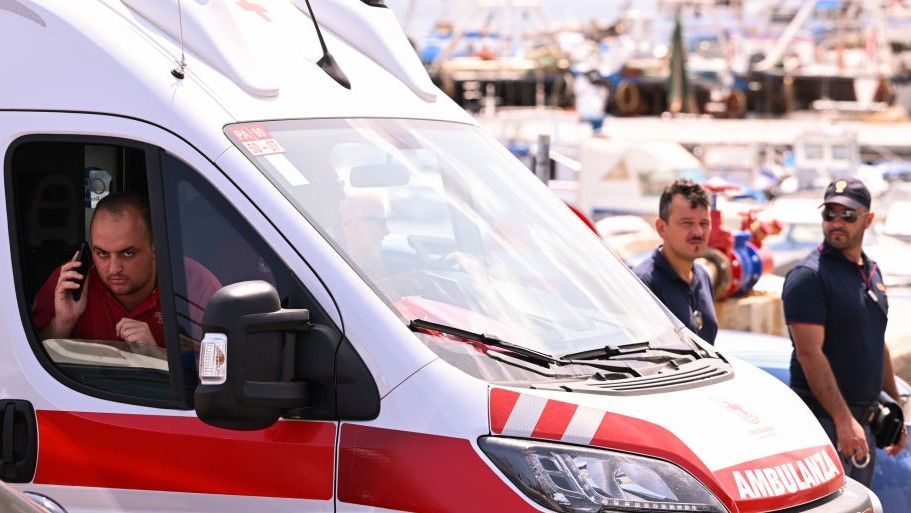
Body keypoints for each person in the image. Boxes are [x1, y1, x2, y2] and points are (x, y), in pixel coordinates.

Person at [782, 177, 907, 486]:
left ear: (868, 219)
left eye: (848, 215)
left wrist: (896, 407)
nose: (837, 222)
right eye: (830, 214)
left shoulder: (871, 271)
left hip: (861, 424)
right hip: (826, 424)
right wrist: (842, 420)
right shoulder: (809, 276)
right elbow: (810, 354)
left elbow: (877, 342)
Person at [32, 193, 163, 347]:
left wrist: (156, 355)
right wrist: (63, 322)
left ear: (155, 248)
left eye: (128, 253)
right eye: (102, 253)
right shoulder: (70, 281)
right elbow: (24, 360)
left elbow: (196, 366)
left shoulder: (189, 282)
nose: (114, 268)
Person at [634, 179, 717, 344]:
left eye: (704, 223)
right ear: (661, 228)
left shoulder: (702, 277)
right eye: (687, 223)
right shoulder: (644, 284)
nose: (698, 232)